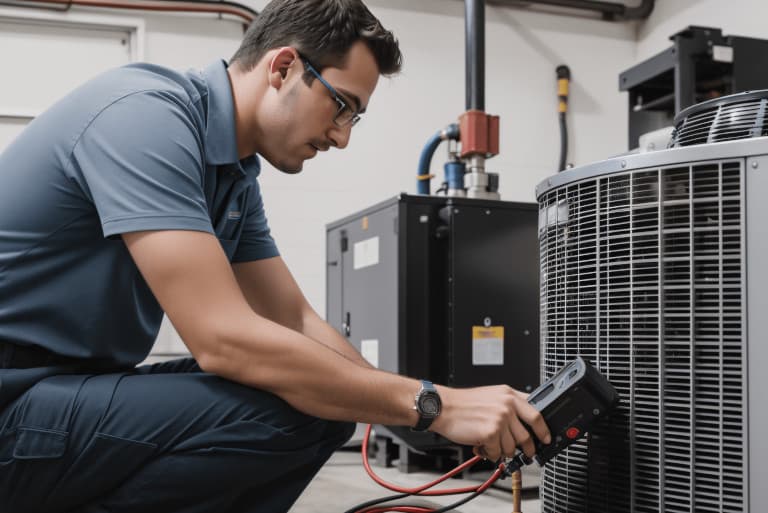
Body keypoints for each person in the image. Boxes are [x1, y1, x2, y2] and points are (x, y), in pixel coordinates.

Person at [0, 0, 551, 511]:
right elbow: (224, 340)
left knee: (319, 403)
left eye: (353, 119)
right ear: (283, 67)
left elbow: (294, 319)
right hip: (15, 404)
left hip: (63, 391)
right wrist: (437, 406)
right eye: (341, 106)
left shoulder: (235, 174)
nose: (342, 138)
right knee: (286, 407)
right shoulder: (146, 118)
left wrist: (415, 410)